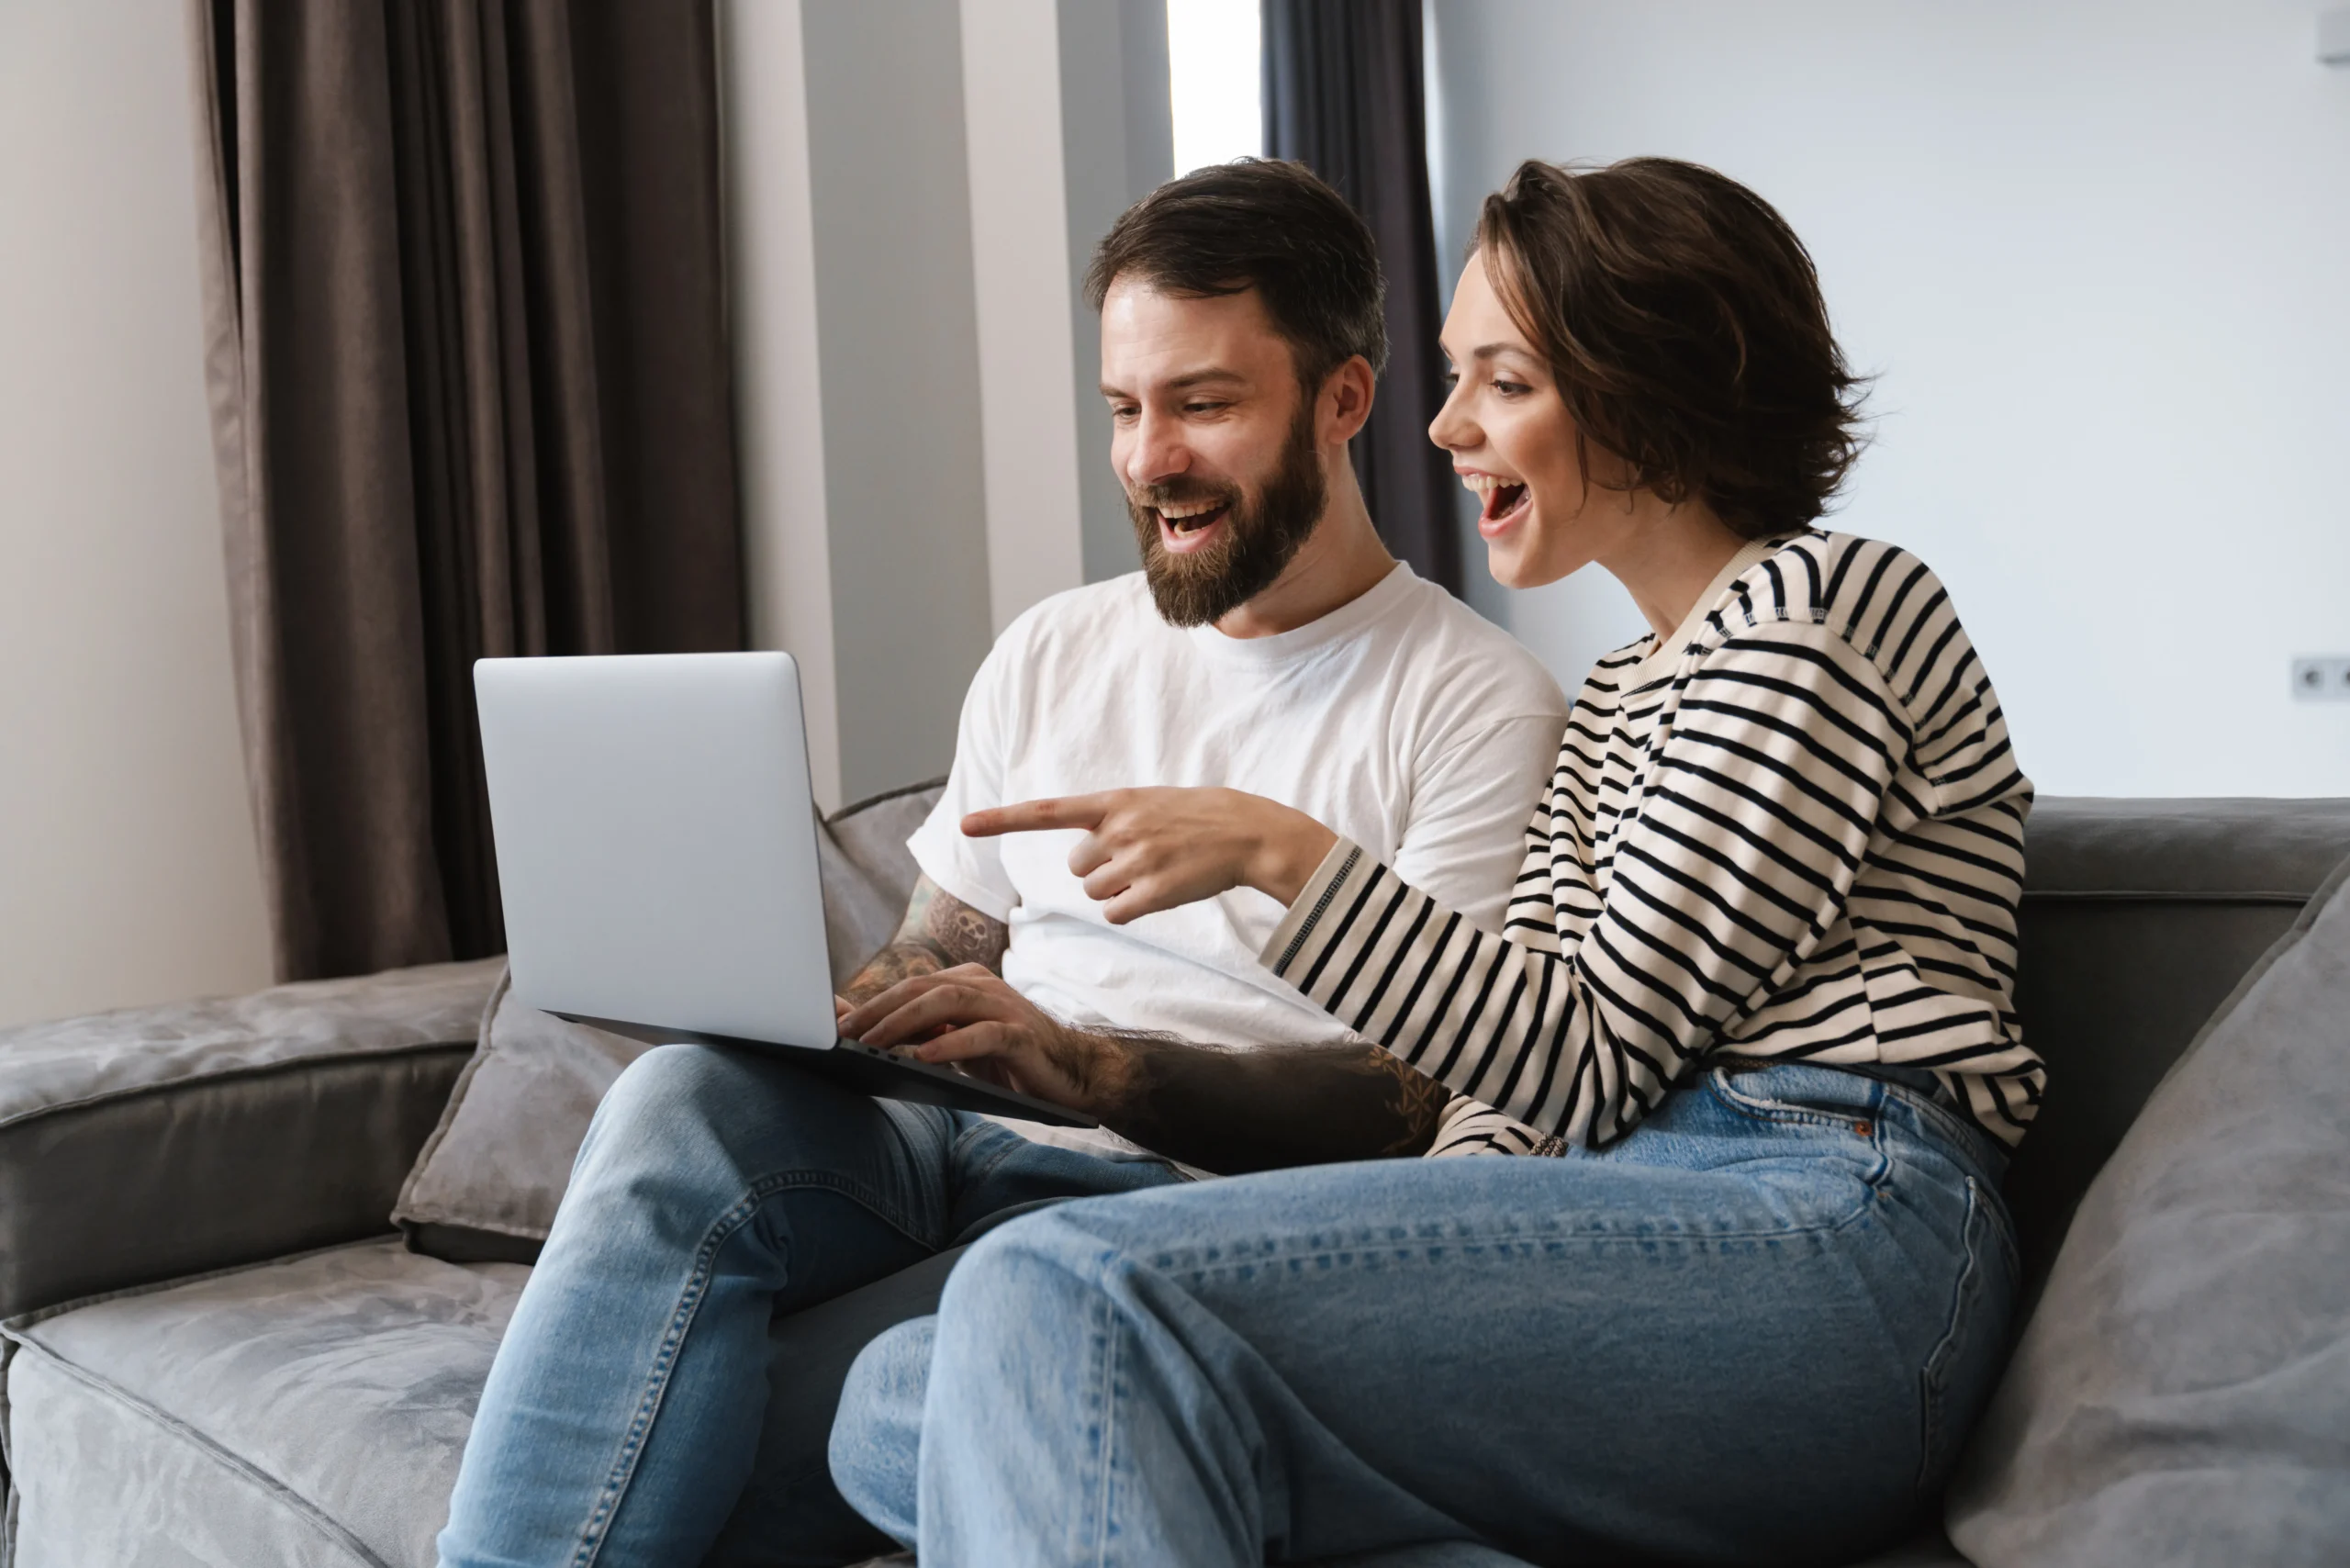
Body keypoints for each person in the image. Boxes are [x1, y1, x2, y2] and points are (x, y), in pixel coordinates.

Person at [826, 157, 2043, 1567]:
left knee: (1043, 1302)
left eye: (1503, 381)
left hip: (1827, 1222)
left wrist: (1283, 853)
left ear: (1661, 381)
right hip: (1615, 1210)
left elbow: (1584, 1054)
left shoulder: (1817, 610)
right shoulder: (1617, 695)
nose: (1446, 424)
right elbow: (1510, 1110)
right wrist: (1421, 1213)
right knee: (894, 1398)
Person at [433, 160, 1569, 1567]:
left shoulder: (1473, 703)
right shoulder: (1054, 648)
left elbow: (1420, 1108)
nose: (1151, 458)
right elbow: (944, 939)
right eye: (1125, 409)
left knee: (718, 1437)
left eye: (1204, 405)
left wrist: (1092, 1066)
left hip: (1182, 1212)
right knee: (681, 1100)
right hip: (951, 1142)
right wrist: (872, 1010)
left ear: (1343, 399)